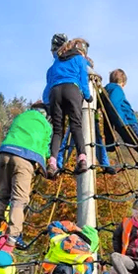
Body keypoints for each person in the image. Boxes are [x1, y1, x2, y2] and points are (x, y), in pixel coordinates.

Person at [0, 102, 53, 250]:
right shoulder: (45, 125)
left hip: (4, 153)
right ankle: (13, 235)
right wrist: (47, 165)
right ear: (46, 115)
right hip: (25, 158)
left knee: (2, 194)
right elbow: (45, 147)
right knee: (19, 199)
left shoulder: (20, 117)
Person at [42, 38, 92, 175]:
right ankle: (82, 159)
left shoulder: (55, 64)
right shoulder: (79, 59)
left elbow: (48, 87)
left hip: (55, 93)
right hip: (72, 90)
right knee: (76, 126)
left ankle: (52, 163)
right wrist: (88, 96)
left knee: (58, 131)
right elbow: (83, 79)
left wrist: (48, 104)